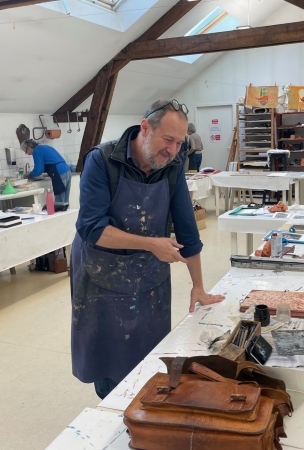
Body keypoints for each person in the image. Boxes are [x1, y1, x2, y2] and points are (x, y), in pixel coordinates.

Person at [70, 99, 225, 400]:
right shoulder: (102, 160)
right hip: (102, 273)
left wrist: (198, 286)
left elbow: (187, 230)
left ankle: (145, 412)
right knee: (109, 358)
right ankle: (113, 414)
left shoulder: (173, 165)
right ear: (145, 128)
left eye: (180, 142)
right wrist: (151, 244)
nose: (174, 150)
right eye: (168, 140)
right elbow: (91, 228)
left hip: (149, 276)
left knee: (149, 352)